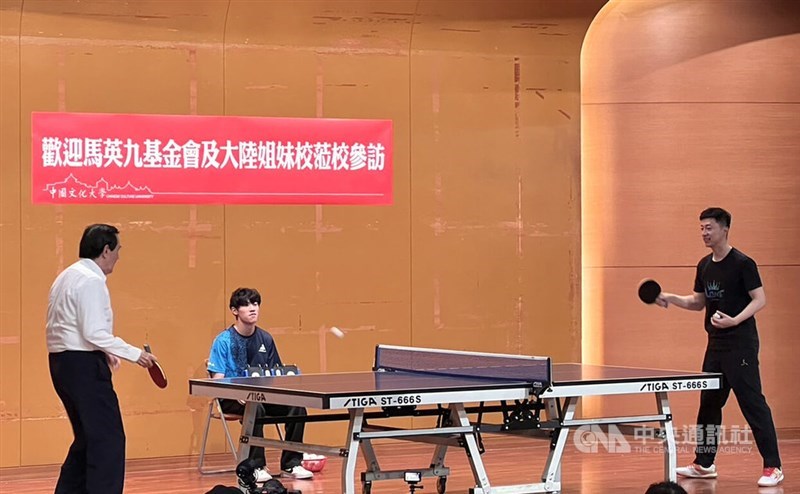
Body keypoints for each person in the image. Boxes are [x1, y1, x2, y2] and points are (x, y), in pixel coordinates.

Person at [655, 207, 783, 487]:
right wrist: (670, 297)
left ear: (725, 229)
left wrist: (734, 320)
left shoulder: (743, 263)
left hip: (741, 344)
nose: (704, 233)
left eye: (709, 227)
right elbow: (697, 302)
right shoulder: (704, 265)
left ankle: (773, 466)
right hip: (715, 345)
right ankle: (704, 464)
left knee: (752, 403)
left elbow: (759, 299)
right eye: (701, 228)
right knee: (709, 404)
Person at [46, 224, 157, 494]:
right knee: (108, 440)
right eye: (118, 249)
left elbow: (70, 327)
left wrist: (104, 352)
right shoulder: (91, 280)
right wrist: (135, 354)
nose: (119, 256)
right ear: (106, 250)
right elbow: (93, 332)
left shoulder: (66, 276)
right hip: (83, 368)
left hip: (61, 364)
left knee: (87, 438)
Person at [207, 287, 313, 481]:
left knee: (297, 407)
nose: (253, 308)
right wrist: (237, 393)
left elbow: (276, 375)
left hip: (263, 396)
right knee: (255, 407)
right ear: (234, 310)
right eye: (246, 305)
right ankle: (256, 466)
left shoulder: (265, 338)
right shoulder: (223, 341)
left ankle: (291, 464)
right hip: (231, 398)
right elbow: (217, 380)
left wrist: (293, 378)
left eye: (255, 304)